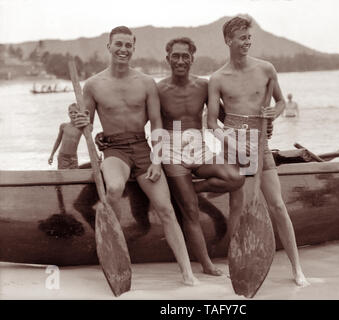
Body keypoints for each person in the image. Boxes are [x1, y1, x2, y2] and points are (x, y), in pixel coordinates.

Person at [73, 26, 199, 286]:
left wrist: (156, 159)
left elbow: (156, 123)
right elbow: (84, 120)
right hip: (114, 150)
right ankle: (113, 250)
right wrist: (76, 116)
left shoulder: (145, 83)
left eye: (128, 45)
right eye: (118, 44)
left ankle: (187, 272)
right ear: (109, 46)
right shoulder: (94, 84)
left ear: (133, 48)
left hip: (143, 149)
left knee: (165, 208)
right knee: (115, 187)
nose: (123, 49)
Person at [207, 15, 309, 287]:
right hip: (232, 147)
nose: (247, 42)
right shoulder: (217, 78)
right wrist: (232, 141)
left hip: (260, 142)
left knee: (276, 204)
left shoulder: (266, 69)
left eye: (249, 37)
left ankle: (297, 268)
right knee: (237, 207)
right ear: (228, 40)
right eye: (242, 38)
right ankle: (239, 264)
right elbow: (211, 122)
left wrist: (272, 113)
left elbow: (280, 103)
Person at [156, 37, 245, 276]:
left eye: (186, 56)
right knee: (191, 211)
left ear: (192, 59)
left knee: (236, 177)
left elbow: (226, 117)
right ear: (168, 59)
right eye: (176, 56)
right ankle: (205, 263)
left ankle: (191, 189)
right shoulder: (159, 89)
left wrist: (257, 127)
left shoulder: (204, 86)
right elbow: (143, 121)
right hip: (172, 151)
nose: (181, 60)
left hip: (200, 147)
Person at [48, 103, 82, 169]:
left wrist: (95, 156)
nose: (73, 114)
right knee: (63, 176)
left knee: (75, 177)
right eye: (71, 112)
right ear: (68, 114)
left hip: (73, 157)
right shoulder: (64, 126)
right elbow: (58, 141)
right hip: (63, 157)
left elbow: (89, 138)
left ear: (80, 113)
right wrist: (52, 155)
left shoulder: (81, 128)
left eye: (75, 112)